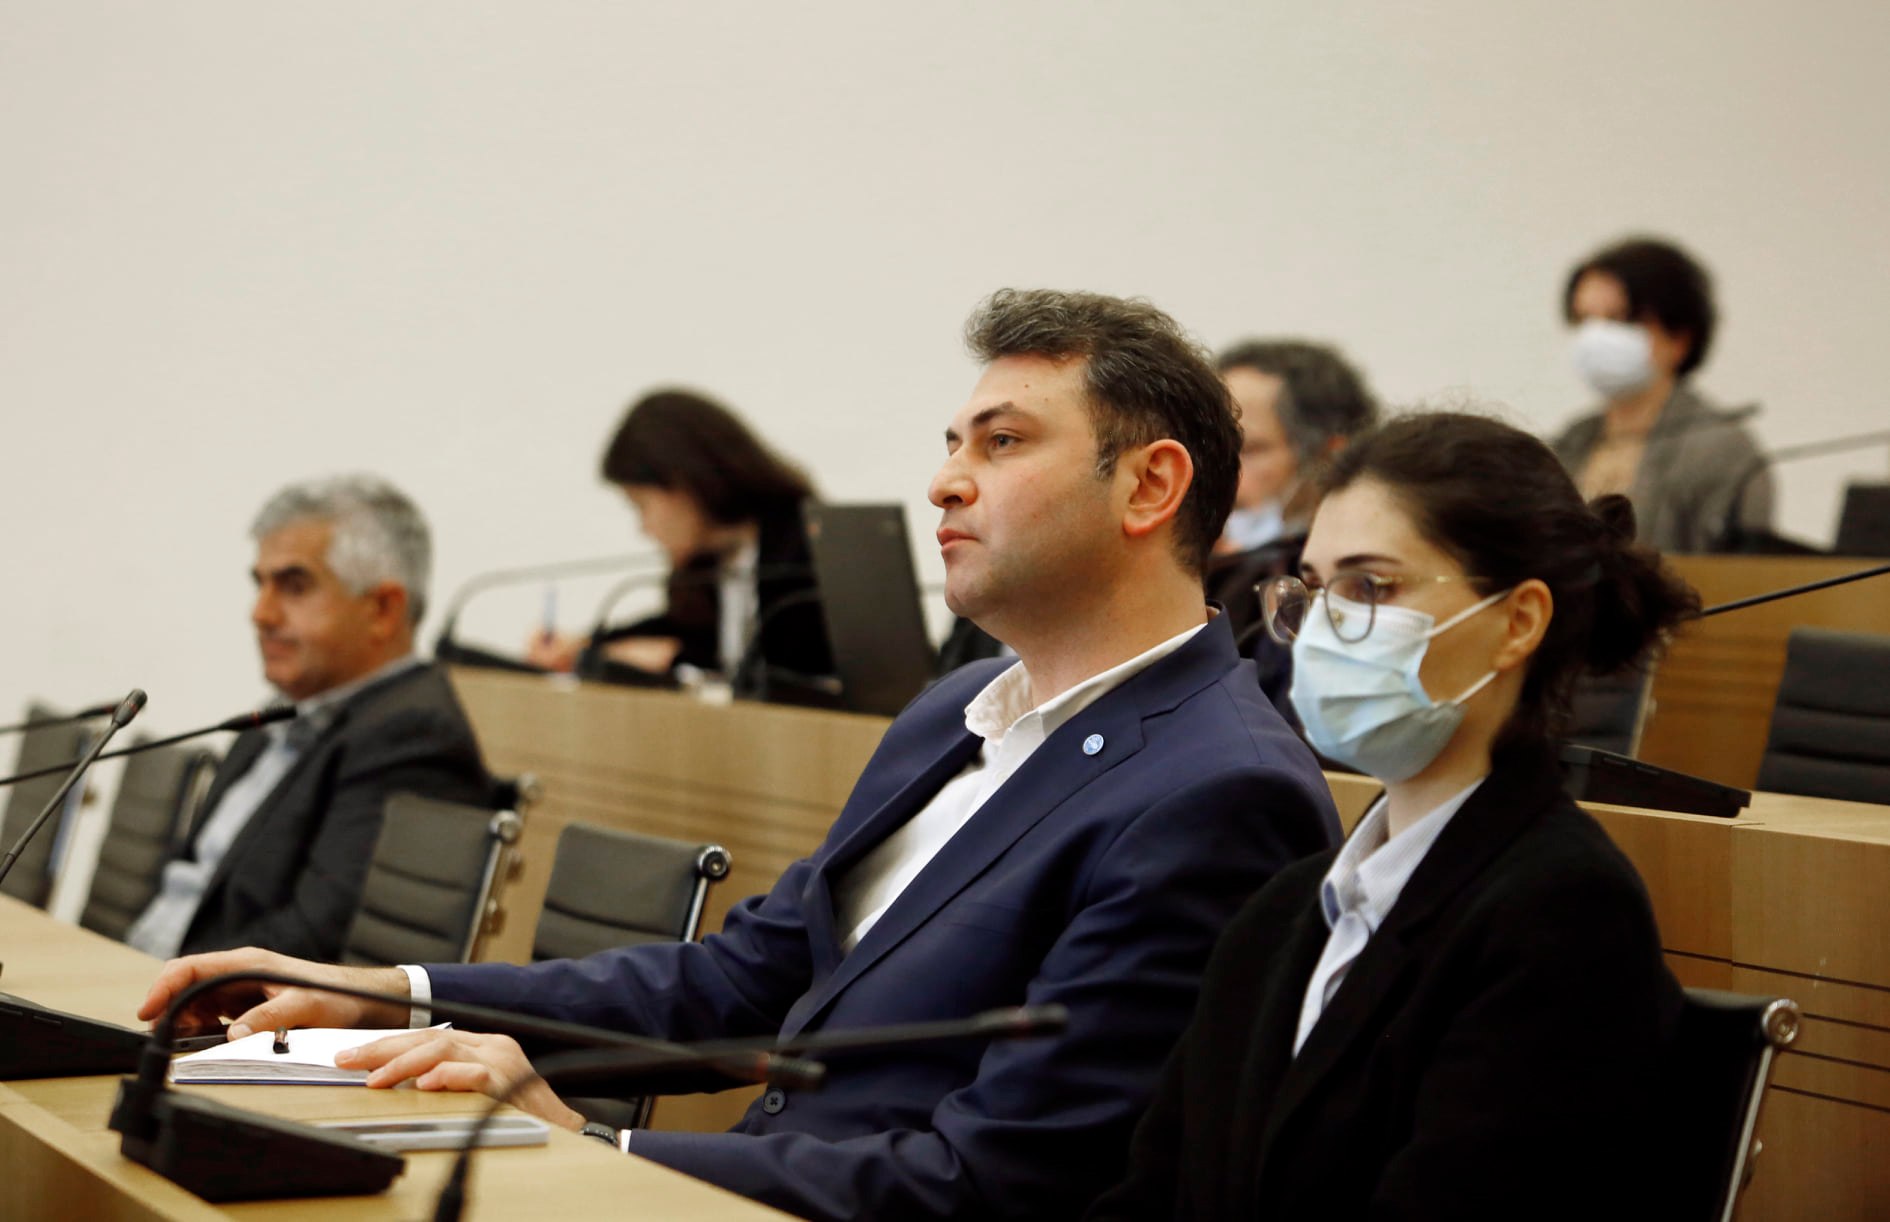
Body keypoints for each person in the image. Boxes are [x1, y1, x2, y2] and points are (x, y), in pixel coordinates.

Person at [138, 288, 1342, 1222]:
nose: (943, 482)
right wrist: (386, 995)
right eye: (951, 442)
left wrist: (597, 1147)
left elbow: (996, 1182)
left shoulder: (1215, 789)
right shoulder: (955, 711)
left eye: (1002, 442)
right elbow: (740, 975)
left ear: (1150, 486)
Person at [1088, 412, 1694, 1221]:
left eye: (1371, 588)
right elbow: (1148, 1193)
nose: (1323, 630)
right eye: (1312, 590)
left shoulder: (1563, 910)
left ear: (1518, 622)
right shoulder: (1282, 910)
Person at [125, 475, 491, 964]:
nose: (261, 613)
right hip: (139, 972)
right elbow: (188, 881)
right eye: (260, 585)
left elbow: (314, 941)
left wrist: (160, 981)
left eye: (294, 587)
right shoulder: (282, 711)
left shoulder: (413, 736)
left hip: (206, 1000)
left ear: (382, 610)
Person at [527, 389, 834, 696]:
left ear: (686, 481)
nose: (643, 528)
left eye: (641, 505)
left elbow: (791, 668)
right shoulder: (710, 564)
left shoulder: (808, 550)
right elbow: (680, 630)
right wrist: (587, 645)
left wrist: (676, 658)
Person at [1552, 235, 1772, 552]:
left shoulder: (1721, 450)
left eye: (1618, 319)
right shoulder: (1570, 441)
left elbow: (1741, 570)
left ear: (1680, 338)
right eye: (1584, 319)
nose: (1595, 337)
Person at [1206, 340, 1379, 722]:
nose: (1217, 474)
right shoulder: (1195, 577)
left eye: (1248, 449)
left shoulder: (1366, 595)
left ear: (1329, 459)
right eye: (1209, 449)